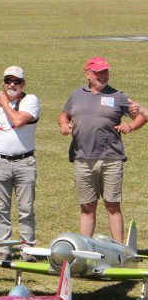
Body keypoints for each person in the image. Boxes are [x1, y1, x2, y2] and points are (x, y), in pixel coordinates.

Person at [58, 57, 145, 242]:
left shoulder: (118, 96)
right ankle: (85, 248)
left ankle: (119, 249)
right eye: (98, 73)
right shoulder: (76, 94)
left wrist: (131, 126)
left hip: (111, 158)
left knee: (112, 205)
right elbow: (64, 114)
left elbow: (142, 115)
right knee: (87, 206)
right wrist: (64, 123)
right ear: (88, 74)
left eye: (105, 72)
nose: (103, 76)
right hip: (82, 157)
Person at [0, 65, 39, 260]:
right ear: (2, 82)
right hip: (0, 162)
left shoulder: (30, 101)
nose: (12, 84)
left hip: (24, 162)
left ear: (23, 84)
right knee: (0, 208)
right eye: (8, 80)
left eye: (17, 81)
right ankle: (4, 248)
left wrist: (4, 103)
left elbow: (18, 121)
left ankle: (27, 249)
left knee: (26, 208)